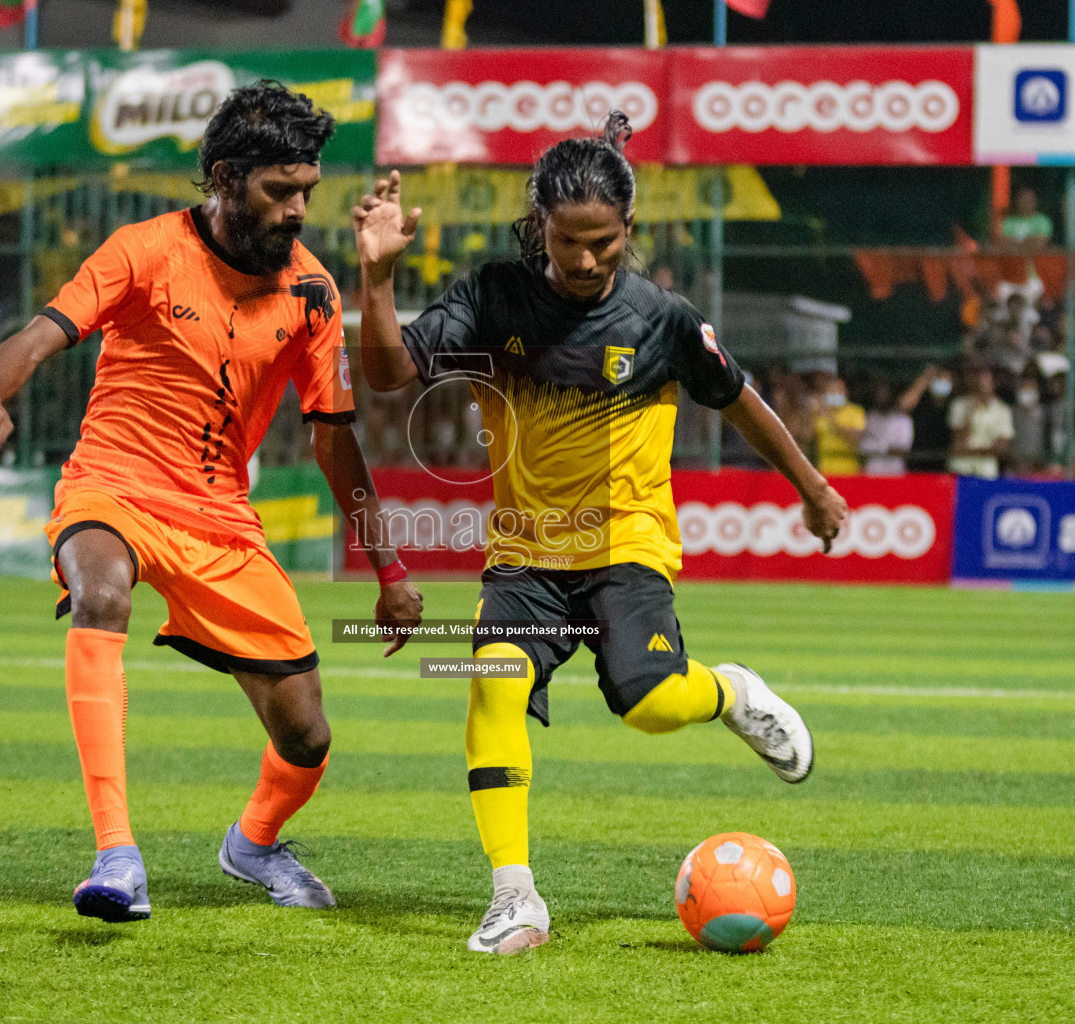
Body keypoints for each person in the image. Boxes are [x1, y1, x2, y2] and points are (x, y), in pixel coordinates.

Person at [352, 112, 848, 955]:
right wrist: (377, 280)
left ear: (629, 230)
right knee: (493, 683)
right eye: (568, 242)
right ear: (538, 224)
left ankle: (729, 692)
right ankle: (515, 896)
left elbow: (739, 400)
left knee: (651, 705)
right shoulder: (493, 297)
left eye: (605, 245)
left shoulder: (661, 318)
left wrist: (812, 487)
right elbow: (390, 372)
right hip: (524, 554)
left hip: (626, 544)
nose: (586, 262)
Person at [0, 81, 423, 924]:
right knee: (100, 592)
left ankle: (252, 844)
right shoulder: (142, 250)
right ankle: (117, 855)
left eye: (307, 191)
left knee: (307, 737)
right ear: (222, 177)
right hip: (114, 484)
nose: (297, 210)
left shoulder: (313, 291)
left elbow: (333, 438)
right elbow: (41, 332)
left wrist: (388, 567)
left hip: (220, 521)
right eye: (280, 190)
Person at [947, 368, 1014, 479]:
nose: (982, 387)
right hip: (960, 469)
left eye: (986, 383)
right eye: (979, 383)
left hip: (987, 471)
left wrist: (971, 452)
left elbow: (1001, 447)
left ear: (993, 385)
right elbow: (958, 441)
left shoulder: (1003, 410)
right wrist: (970, 413)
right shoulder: (959, 405)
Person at [903, 365, 953, 473]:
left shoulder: (953, 405)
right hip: (917, 462)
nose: (942, 384)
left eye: (946, 381)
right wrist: (925, 378)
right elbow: (904, 405)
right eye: (938, 380)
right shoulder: (921, 403)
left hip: (942, 464)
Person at [859, 376, 913, 477]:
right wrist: (886, 449)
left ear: (892, 395)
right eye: (879, 392)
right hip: (872, 473)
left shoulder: (903, 419)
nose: (881, 396)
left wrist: (876, 447)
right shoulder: (869, 417)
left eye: (885, 392)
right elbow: (863, 446)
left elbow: (903, 448)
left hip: (895, 473)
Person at [811, 374, 864, 476]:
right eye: (832, 391)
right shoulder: (820, 413)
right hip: (824, 471)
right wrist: (811, 414)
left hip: (849, 471)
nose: (835, 394)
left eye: (839, 390)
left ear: (845, 393)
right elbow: (808, 439)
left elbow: (856, 438)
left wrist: (831, 418)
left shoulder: (855, 411)